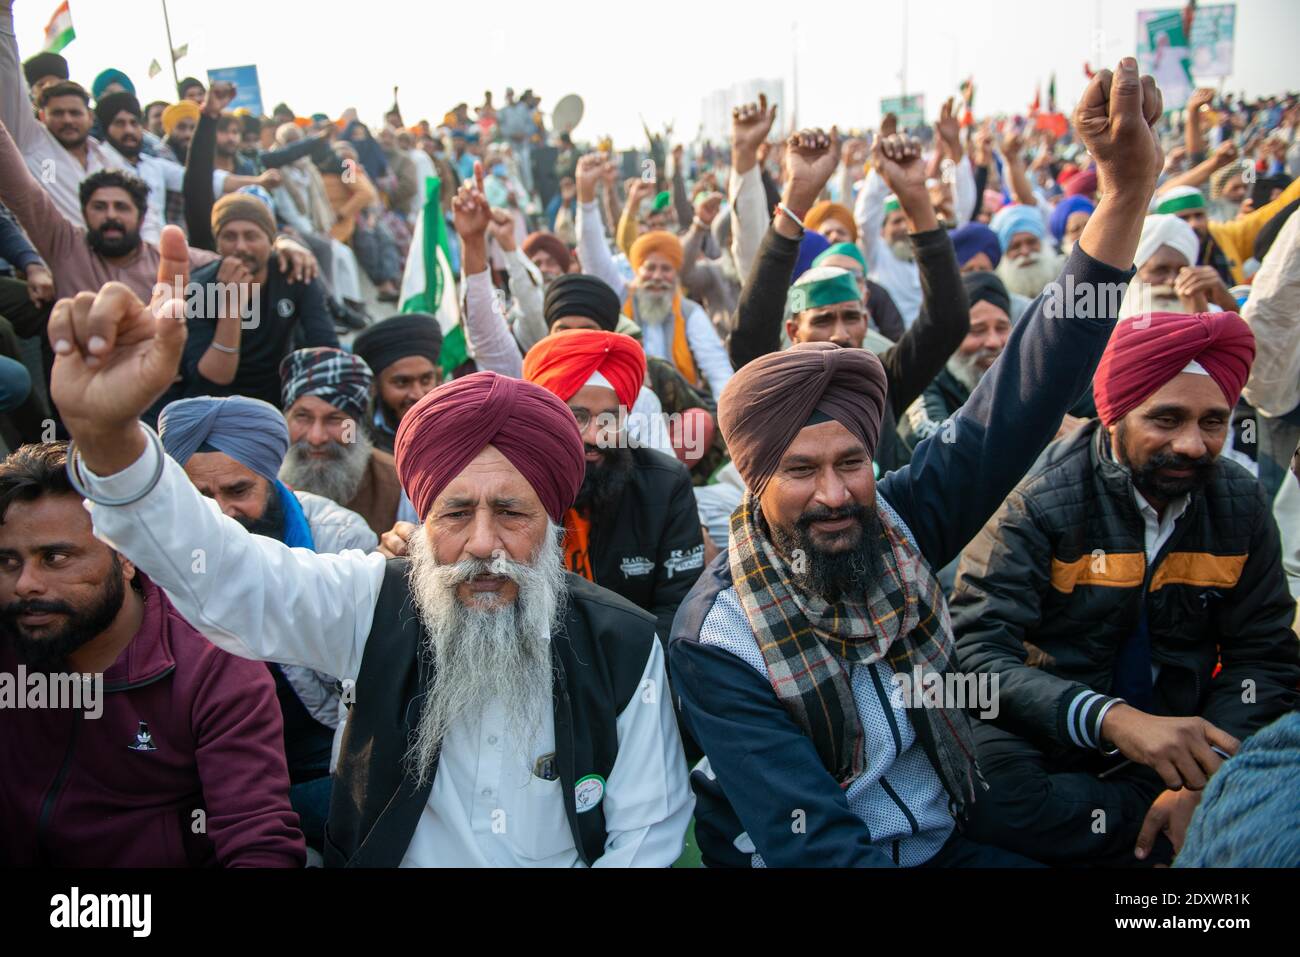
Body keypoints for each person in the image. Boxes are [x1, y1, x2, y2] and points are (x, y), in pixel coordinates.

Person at [45, 229, 694, 867]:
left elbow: (647, 835)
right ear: (422, 513)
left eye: (513, 512)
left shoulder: (623, 642)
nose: (484, 543)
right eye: (457, 512)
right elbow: (224, 575)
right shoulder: (372, 601)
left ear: (552, 520)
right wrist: (109, 439)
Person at [667, 59, 1168, 867]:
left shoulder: (894, 514)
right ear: (753, 480)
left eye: (851, 462)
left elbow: (1021, 397)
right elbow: (819, 850)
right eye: (800, 471)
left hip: (944, 831)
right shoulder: (718, 636)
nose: (834, 495)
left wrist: (1123, 196)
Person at [950, 310, 1300, 866]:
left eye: (1213, 422)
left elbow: (1263, 657)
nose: (1191, 444)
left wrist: (1204, 775)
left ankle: (1166, 819)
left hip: (1186, 735)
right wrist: (1109, 718)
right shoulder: (1037, 499)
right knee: (989, 798)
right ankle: (1156, 832)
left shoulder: (1240, 503)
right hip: (1050, 727)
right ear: (1114, 417)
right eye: (1166, 419)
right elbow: (974, 654)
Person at [0, 441, 305, 867]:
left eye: (56, 557)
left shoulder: (214, 662)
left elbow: (257, 838)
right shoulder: (11, 634)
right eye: (8, 561)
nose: (25, 584)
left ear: (126, 557)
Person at [157, 395, 377, 851]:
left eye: (238, 491)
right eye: (199, 496)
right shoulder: (161, 546)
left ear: (273, 476)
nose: (219, 513)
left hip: (318, 747)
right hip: (203, 753)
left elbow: (360, 692)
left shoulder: (338, 536)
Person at [727, 127, 970, 478]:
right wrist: (797, 195)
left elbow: (948, 321)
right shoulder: (774, 386)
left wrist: (916, 199)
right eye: (823, 320)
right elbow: (748, 336)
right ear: (794, 329)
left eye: (852, 317)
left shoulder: (883, 379)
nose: (841, 334)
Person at [522, 329, 705, 641]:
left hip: (632, 664)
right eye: (577, 417)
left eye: (610, 419)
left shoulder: (665, 484)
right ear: (548, 418)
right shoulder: (514, 480)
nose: (595, 436)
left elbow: (680, 608)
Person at [576, 153, 734, 399]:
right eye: (650, 268)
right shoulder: (619, 296)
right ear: (636, 270)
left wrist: (728, 414)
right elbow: (593, 256)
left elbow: (717, 367)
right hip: (622, 407)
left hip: (678, 408)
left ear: (676, 275)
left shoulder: (690, 312)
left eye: (666, 269)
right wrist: (586, 198)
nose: (657, 276)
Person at [161, 191, 337, 411]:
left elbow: (326, 345)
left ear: (271, 241)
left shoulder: (294, 274)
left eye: (251, 236)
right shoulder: (198, 288)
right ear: (218, 244)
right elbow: (213, 380)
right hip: (214, 405)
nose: (241, 247)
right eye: (229, 236)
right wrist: (232, 306)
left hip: (276, 399)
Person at [278, 347, 419, 536]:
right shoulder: (261, 476)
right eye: (303, 417)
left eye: (335, 419)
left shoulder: (401, 488)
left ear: (358, 426)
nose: (316, 437)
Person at [1, 4, 113, 226]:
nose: (68, 120)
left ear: (90, 117)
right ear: (42, 116)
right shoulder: (32, 143)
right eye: (58, 113)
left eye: (74, 113)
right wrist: (3, 16)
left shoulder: (107, 159)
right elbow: (8, 78)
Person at [897, 272, 1014, 456]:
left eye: (1001, 328)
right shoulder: (924, 379)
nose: (993, 342)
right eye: (977, 330)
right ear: (950, 336)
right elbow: (938, 446)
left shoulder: (1031, 373)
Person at [95, 91, 185, 243]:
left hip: (159, 253)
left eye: (134, 123)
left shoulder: (153, 165)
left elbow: (204, 179)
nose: (129, 130)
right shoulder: (97, 164)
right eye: (120, 123)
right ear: (106, 128)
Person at [351, 314, 443, 454]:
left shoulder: (458, 425)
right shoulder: (354, 433)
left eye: (426, 380)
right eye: (401, 383)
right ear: (374, 386)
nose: (418, 395)